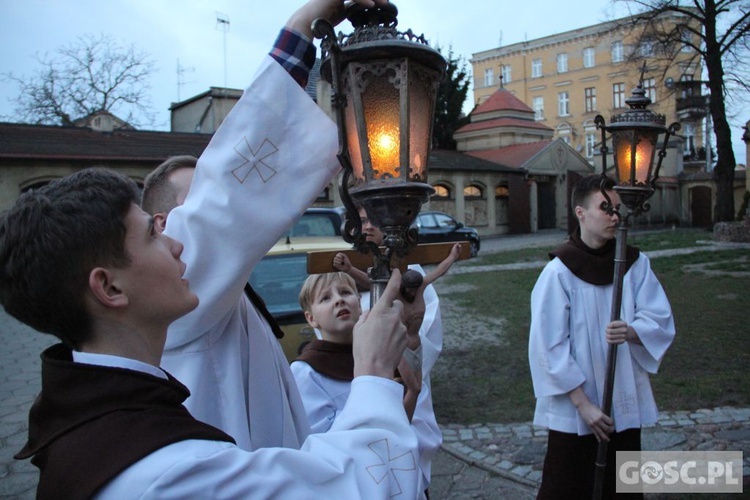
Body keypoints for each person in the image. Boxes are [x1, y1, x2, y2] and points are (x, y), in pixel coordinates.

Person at [2, 168, 419, 498]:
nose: (178, 245)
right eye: (154, 234)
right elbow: (360, 488)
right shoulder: (171, 475)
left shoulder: (104, 423)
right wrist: (374, 372)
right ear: (109, 288)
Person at [136, 0, 392, 453]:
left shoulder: (207, 295)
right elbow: (230, 191)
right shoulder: (176, 296)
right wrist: (301, 27)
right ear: (163, 225)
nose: (222, 199)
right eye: (197, 202)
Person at [528, 174, 676, 499]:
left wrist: (634, 331)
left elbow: (660, 317)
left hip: (622, 397)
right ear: (581, 212)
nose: (614, 216)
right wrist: (584, 406)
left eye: (618, 209)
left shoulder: (635, 265)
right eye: (605, 208)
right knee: (568, 488)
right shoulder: (559, 273)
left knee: (622, 487)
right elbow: (547, 346)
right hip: (576, 408)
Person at [331, 205, 460, 494]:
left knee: (405, 467)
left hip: (402, 379)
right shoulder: (342, 281)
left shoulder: (411, 273)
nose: (368, 227)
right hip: (359, 390)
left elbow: (426, 329)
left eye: (375, 219)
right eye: (363, 220)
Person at [292, 270, 431, 495]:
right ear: (311, 318)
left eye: (346, 292)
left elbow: (393, 425)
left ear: (359, 302)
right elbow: (319, 443)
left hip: (396, 469)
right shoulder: (306, 372)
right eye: (326, 298)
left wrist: (413, 393)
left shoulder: (387, 350)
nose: (339, 300)